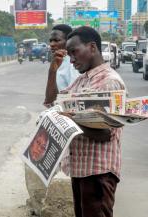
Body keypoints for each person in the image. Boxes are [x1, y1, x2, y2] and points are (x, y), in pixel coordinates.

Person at [60, 26, 126, 217]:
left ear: (92, 47)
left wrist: (70, 120)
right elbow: (54, 102)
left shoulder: (109, 82)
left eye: (74, 52)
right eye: (69, 54)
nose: (71, 60)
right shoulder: (82, 80)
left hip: (98, 173)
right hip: (81, 170)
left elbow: (106, 133)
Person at [44, 24, 79, 107]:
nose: (52, 44)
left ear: (68, 41)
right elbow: (49, 100)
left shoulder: (72, 64)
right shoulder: (58, 61)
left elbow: (74, 96)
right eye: (51, 41)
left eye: (56, 40)